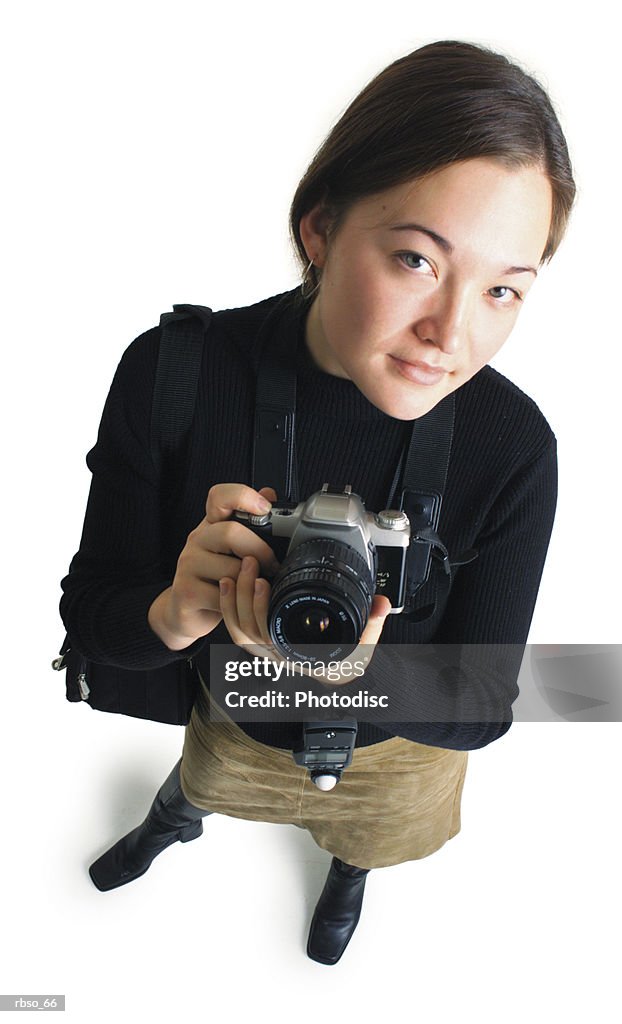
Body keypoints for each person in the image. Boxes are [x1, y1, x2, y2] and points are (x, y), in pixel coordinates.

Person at [59, 39, 575, 965]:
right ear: (321, 228)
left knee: (370, 835)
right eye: (417, 259)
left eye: (503, 288)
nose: (451, 335)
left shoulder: (512, 446)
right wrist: (178, 609)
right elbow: (94, 627)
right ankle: (174, 819)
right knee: (205, 781)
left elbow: (485, 705)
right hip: (232, 709)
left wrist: (351, 675)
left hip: (398, 757)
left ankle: (347, 872)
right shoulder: (176, 374)